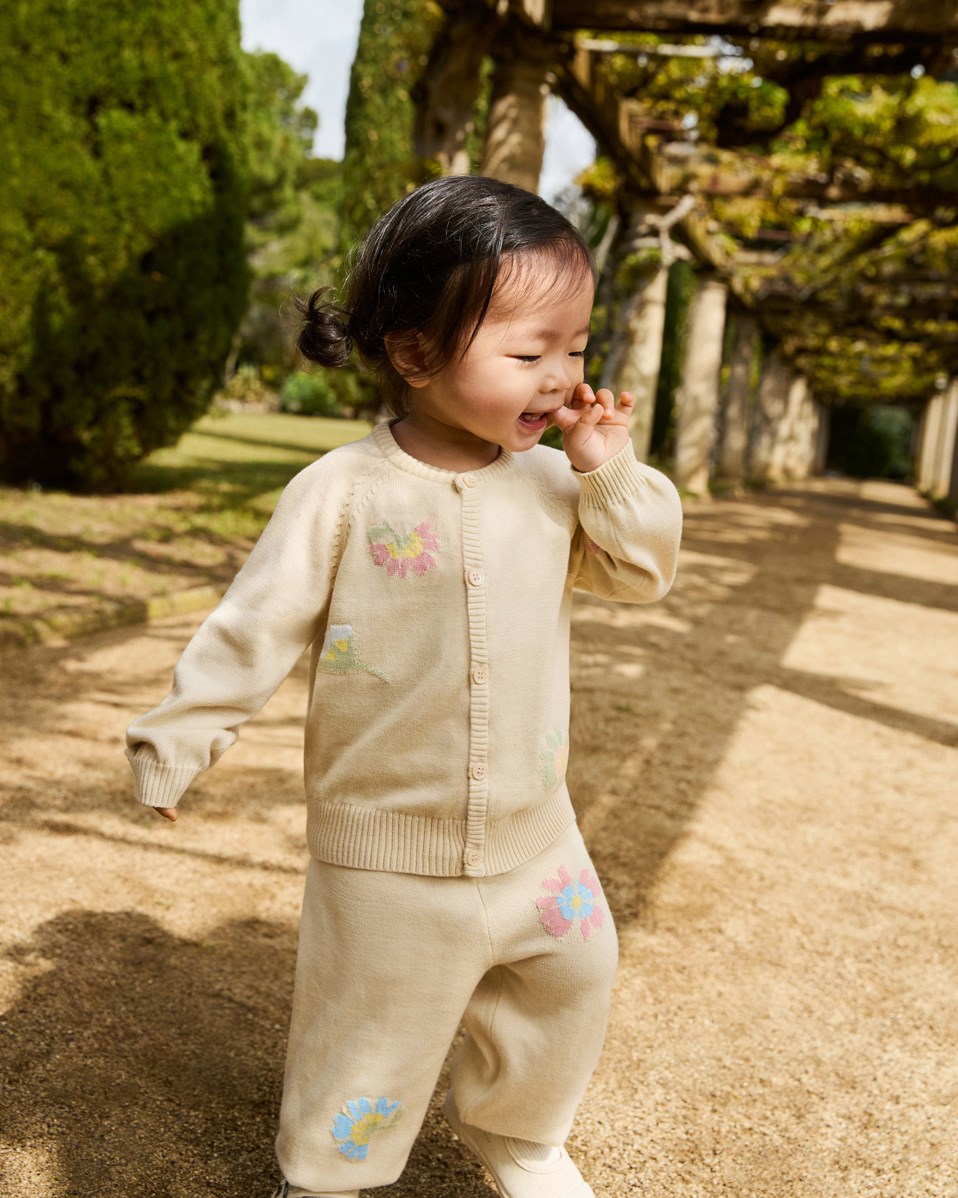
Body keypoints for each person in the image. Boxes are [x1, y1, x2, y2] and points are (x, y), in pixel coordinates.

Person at [126, 174, 683, 1198]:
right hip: (385, 853)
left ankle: (518, 1133)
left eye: (573, 348)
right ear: (415, 352)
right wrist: (175, 738)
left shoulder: (558, 487)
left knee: (574, 976)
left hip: (534, 836)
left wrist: (608, 468)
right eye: (527, 353)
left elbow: (642, 572)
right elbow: (254, 626)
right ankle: (330, 1177)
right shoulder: (340, 492)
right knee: (366, 1038)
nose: (561, 378)